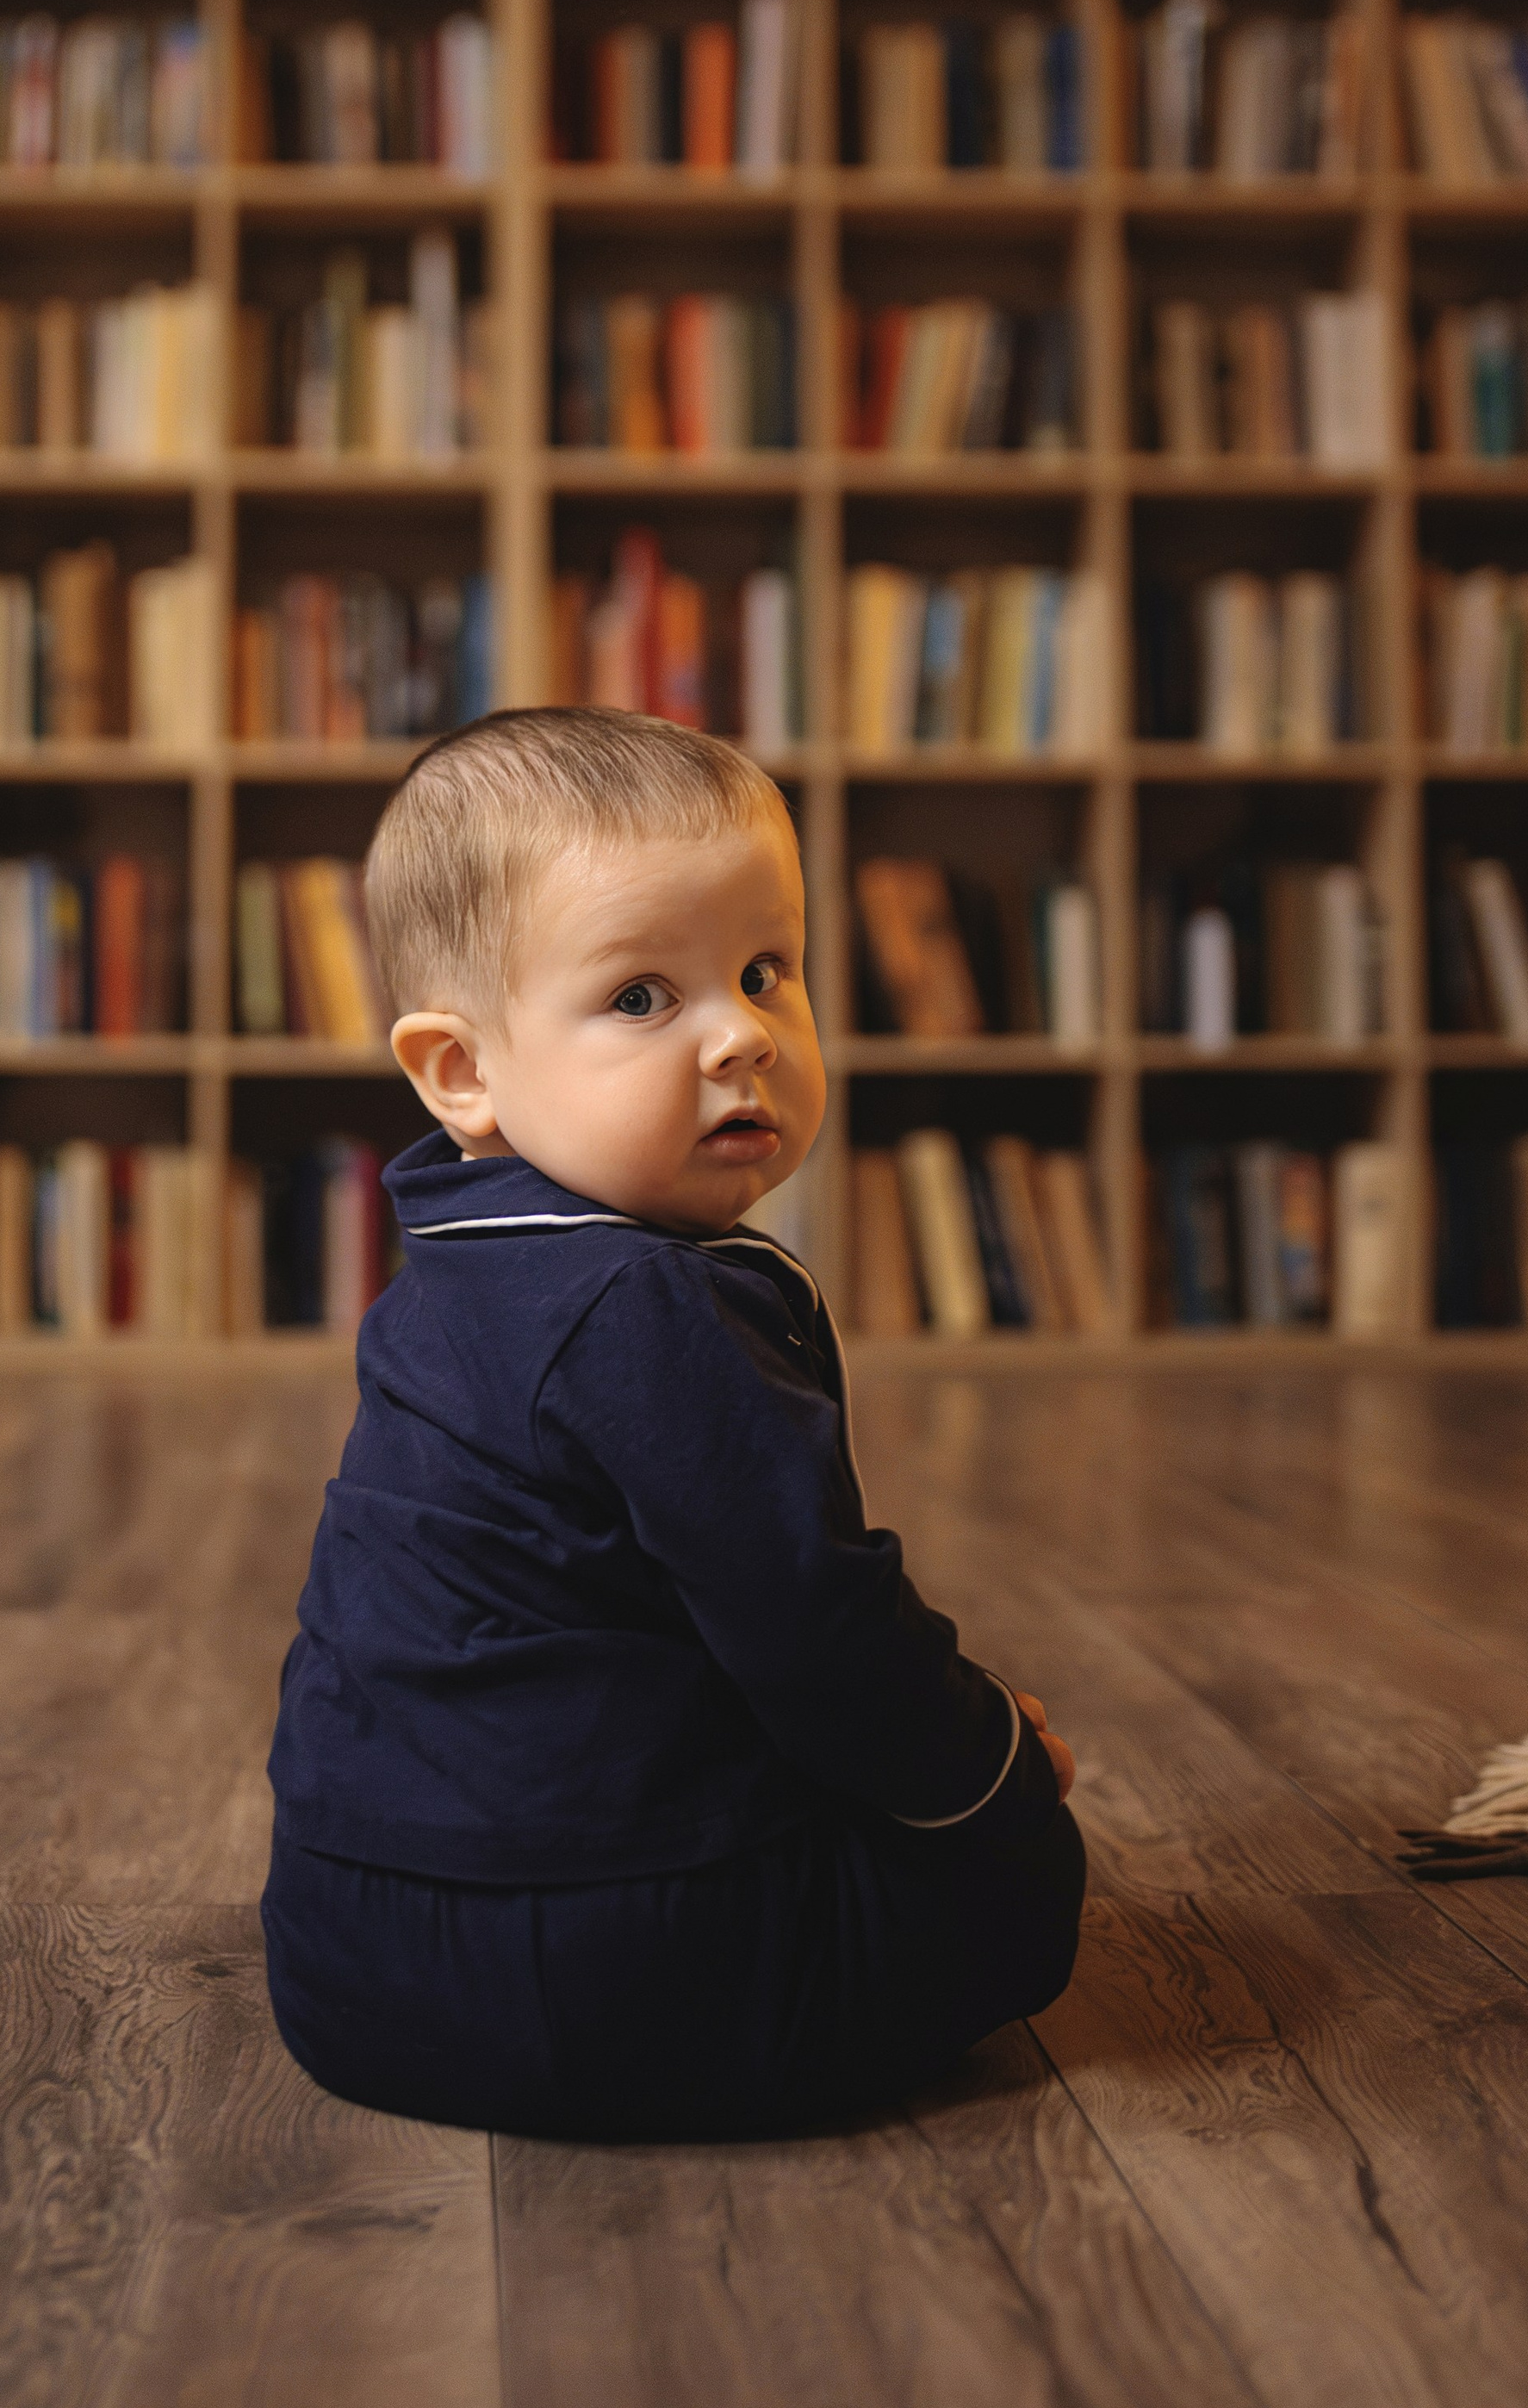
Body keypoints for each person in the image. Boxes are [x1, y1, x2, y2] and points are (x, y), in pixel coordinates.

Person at [262, 704, 1083, 2143]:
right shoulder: (643, 1309)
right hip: (608, 1977)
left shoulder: (451, 1271)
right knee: (1019, 1878)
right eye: (644, 997)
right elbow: (817, 1630)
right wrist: (991, 1766)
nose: (742, 1037)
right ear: (463, 1072)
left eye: (767, 972)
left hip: (350, 1961)